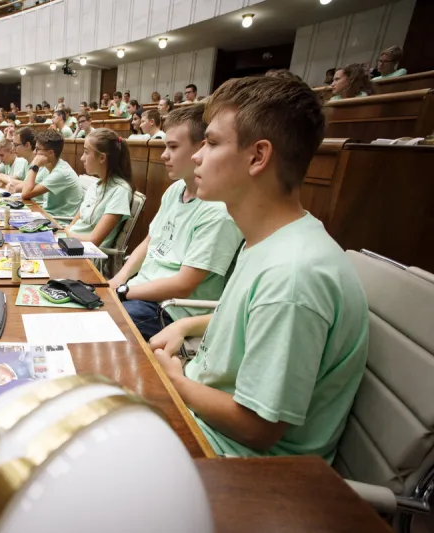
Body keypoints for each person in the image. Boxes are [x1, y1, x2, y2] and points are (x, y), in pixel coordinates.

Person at [151, 76, 369, 462]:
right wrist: (187, 325)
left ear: (258, 157)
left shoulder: (293, 276)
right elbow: (247, 315)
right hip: (206, 421)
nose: (198, 156)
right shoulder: (272, 239)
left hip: (240, 463)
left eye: (213, 143)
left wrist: (173, 381)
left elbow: (258, 428)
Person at [109, 105, 243, 340]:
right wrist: (118, 280)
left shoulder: (218, 211)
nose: (164, 155)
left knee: (99, 324)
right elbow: (151, 240)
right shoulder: (175, 189)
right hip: (140, 293)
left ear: (200, 149)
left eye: (173, 147)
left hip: (171, 310)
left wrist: (124, 291)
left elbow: (184, 285)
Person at [65, 128, 133, 248]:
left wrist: (68, 232)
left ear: (102, 158)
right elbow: (73, 224)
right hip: (68, 243)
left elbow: (93, 240)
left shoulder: (120, 190)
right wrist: (67, 232)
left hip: (84, 254)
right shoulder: (95, 186)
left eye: (86, 152)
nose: (82, 158)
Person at [21, 130, 83, 218]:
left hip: (60, 221)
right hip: (47, 215)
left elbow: (26, 193)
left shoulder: (61, 173)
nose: (34, 152)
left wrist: (35, 165)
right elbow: (27, 186)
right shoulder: (48, 167)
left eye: (37, 149)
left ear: (50, 153)